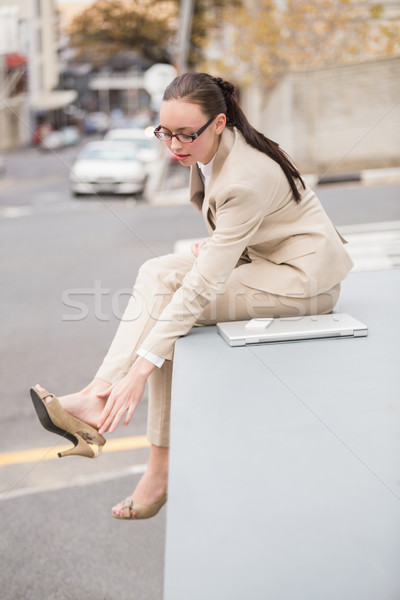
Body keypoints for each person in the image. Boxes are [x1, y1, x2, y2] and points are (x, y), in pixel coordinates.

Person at [31, 72, 353, 520]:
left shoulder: (244, 175)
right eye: (165, 132)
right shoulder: (214, 149)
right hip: (262, 260)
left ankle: (156, 466)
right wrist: (226, 244)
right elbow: (249, 227)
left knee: (172, 306)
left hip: (300, 280)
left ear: (219, 123)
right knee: (155, 271)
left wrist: (140, 371)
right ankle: (98, 392)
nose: (174, 146)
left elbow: (201, 287)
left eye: (186, 134)